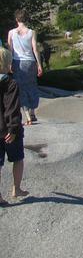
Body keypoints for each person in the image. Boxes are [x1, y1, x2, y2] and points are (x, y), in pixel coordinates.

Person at [0, 47, 29, 205]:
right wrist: (13, 128)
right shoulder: (10, 83)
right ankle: (16, 188)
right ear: (7, 63)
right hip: (10, 130)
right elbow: (12, 107)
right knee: (18, 158)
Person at [7, 9, 43, 126]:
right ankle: (32, 111)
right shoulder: (32, 32)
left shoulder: (11, 33)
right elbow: (35, 49)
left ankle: (27, 116)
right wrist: (39, 64)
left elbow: (10, 50)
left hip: (17, 62)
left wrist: (9, 64)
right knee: (32, 86)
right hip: (30, 62)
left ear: (16, 19)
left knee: (20, 89)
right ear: (26, 19)